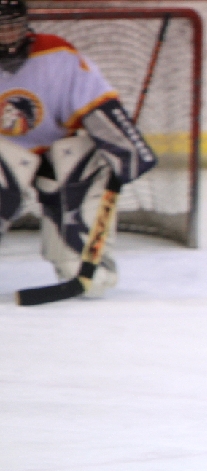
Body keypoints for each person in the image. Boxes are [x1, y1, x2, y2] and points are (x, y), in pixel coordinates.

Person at [0, 0, 156, 298]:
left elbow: (96, 100)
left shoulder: (55, 53)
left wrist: (125, 145)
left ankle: (81, 263)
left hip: (55, 154)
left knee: (85, 157)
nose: (7, 35)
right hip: (4, 153)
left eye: (12, 25)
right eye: (0, 28)